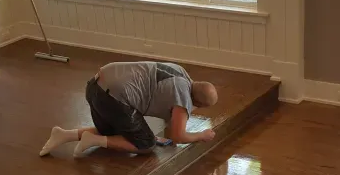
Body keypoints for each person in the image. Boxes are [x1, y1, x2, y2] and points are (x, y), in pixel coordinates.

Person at [39, 61, 219, 158]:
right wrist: (201, 135)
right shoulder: (183, 97)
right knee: (146, 144)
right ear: (199, 104)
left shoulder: (180, 72)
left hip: (95, 86)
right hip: (114, 98)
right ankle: (93, 140)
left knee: (114, 131)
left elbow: (171, 116)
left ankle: (64, 135)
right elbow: (178, 136)